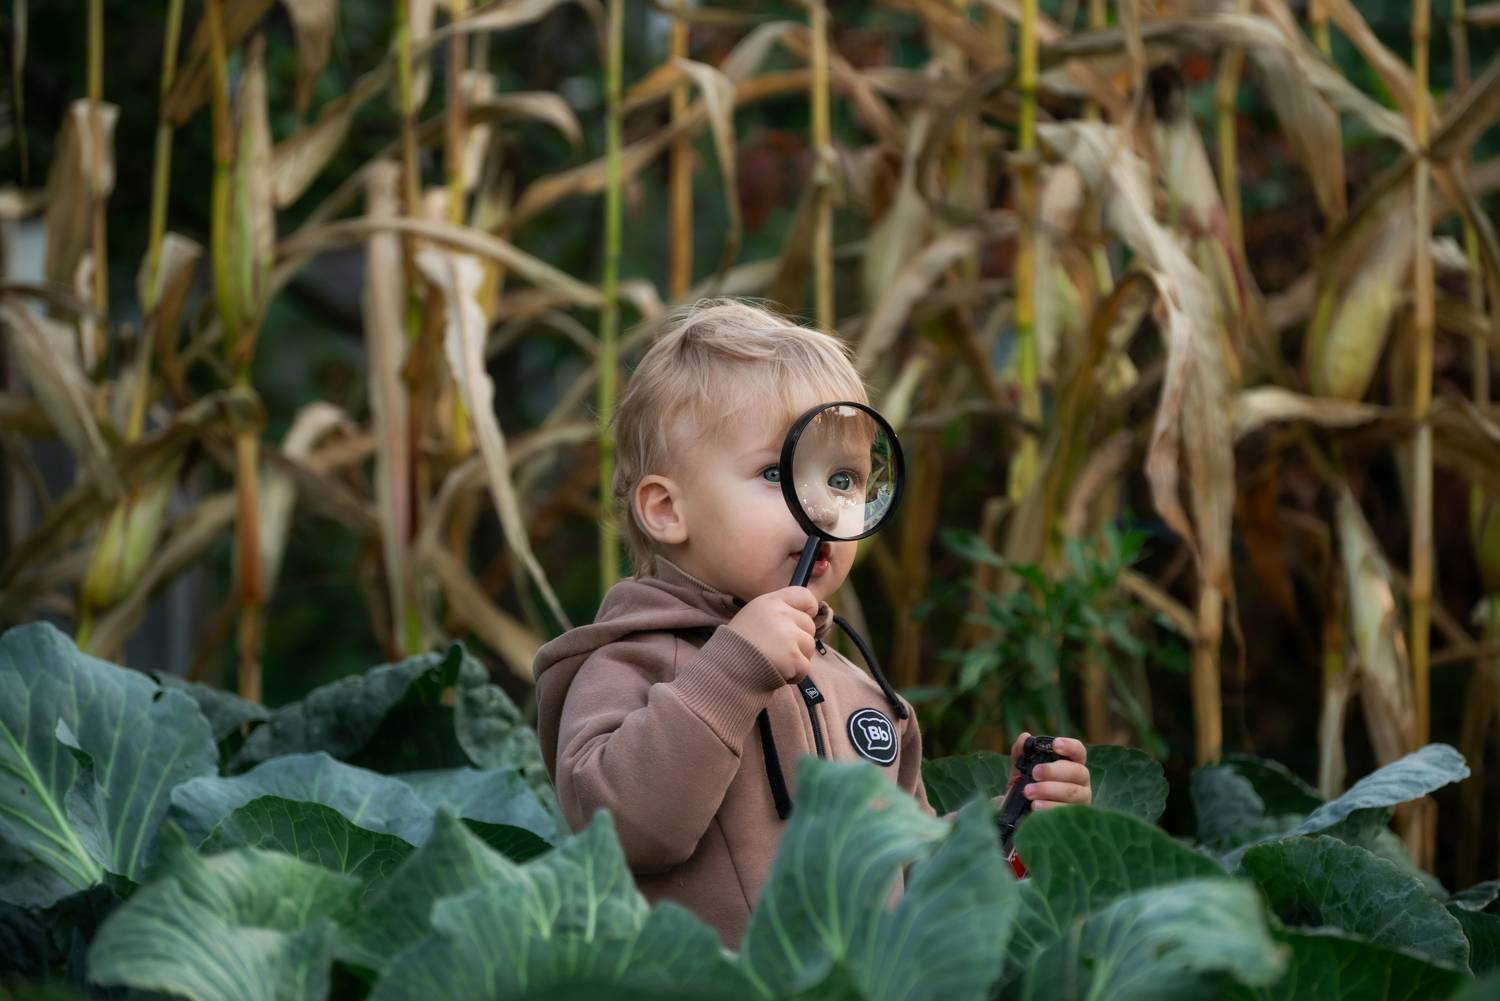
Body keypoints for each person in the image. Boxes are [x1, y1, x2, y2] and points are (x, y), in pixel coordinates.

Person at [532, 298, 1091, 948]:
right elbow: (621, 831)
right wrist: (733, 669)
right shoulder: (629, 662)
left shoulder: (865, 694)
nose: (824, 506)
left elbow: (907, 875)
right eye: (778, 473)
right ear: (666, 511)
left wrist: (1008, 826)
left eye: (844, 478)